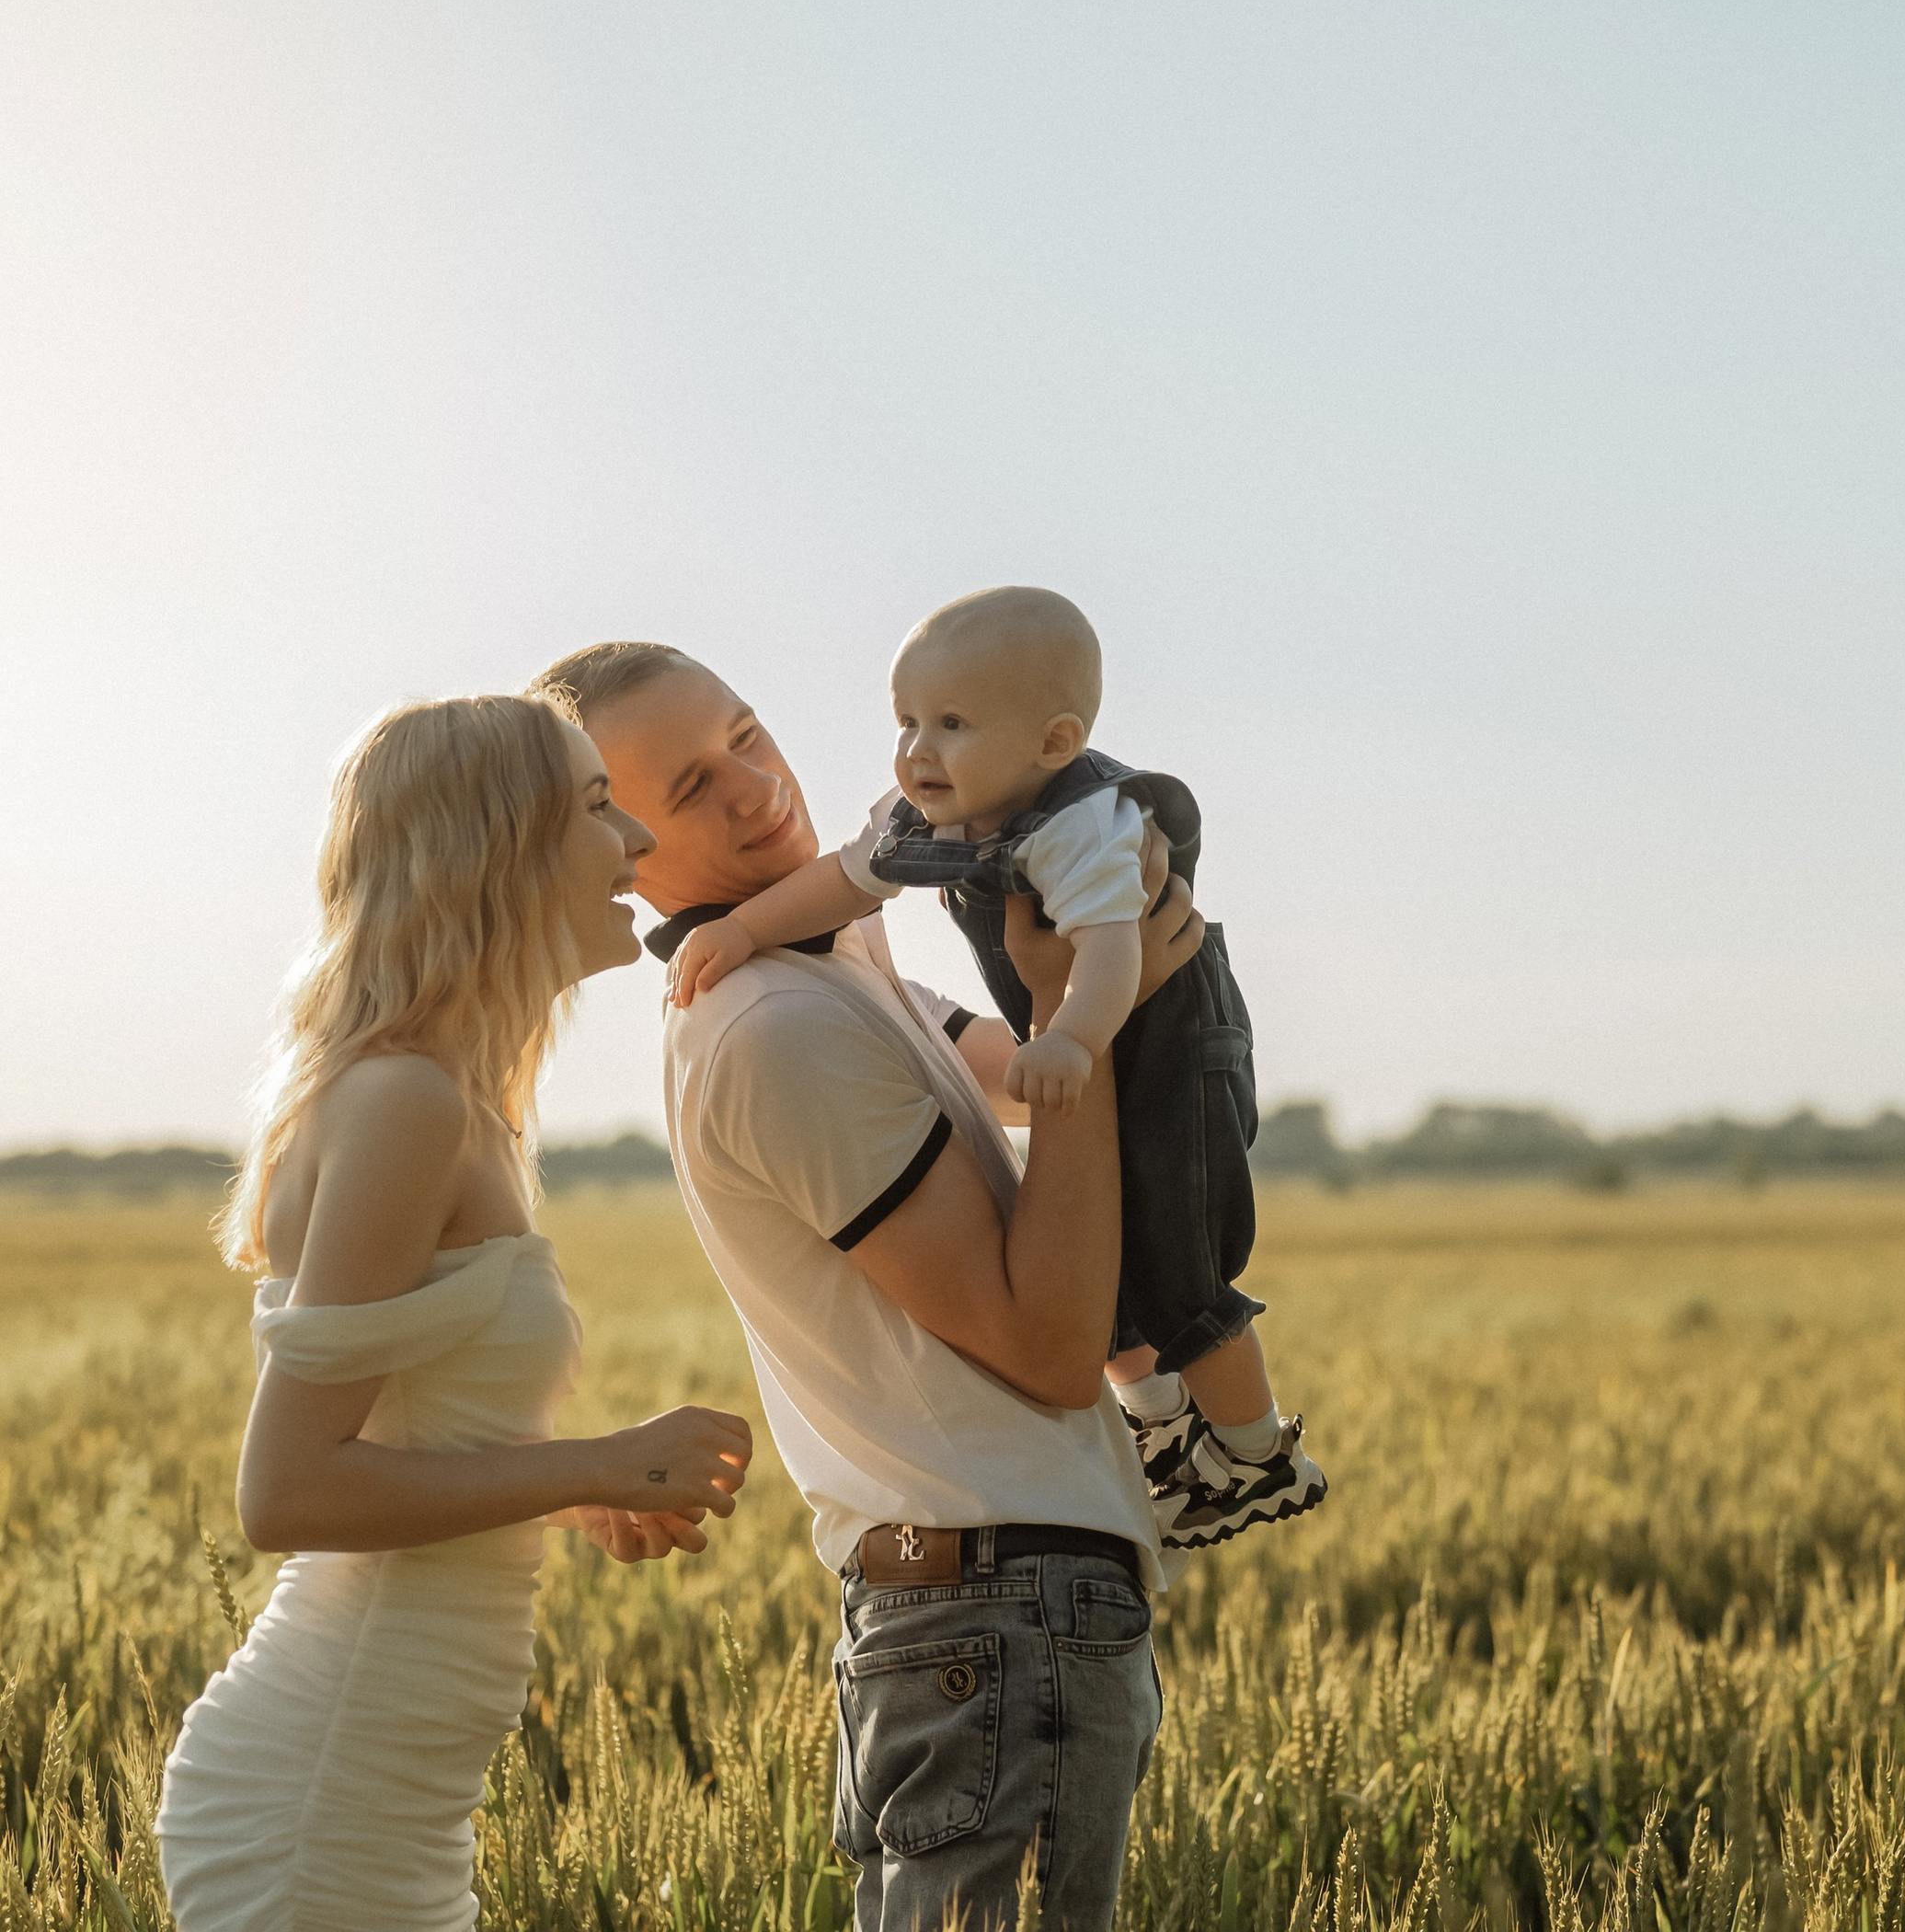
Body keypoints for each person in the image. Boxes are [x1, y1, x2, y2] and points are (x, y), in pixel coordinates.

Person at [533, 638, 1205, 1932]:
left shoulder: (829, 966)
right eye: (687, 789)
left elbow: (1010, 1075)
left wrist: (1106, 971)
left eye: (744, 732)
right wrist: (1082, 1024)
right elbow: (1049, 1346)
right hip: (998, 1610)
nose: (753, 785)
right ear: (623, 842)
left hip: (984, 1616)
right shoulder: (777, 1029)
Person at [156, 695, 755, 1932]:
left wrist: (566, 1481)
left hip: (391, 1785)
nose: (638, 841)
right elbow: (288, 1495)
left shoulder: (457, 1102)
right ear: (495, 843)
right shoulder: (405, 1104)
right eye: (596, 806)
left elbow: (408, 1432)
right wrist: (602, 1459)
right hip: (322, 1792)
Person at [662, 586, 1325, 1550]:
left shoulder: (1080, 826)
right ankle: (1164, 1431)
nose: (916, 750)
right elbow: (845, 877)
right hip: (1075, 1030)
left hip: (1168, 1041)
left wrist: (1070, 1033)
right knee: (1100, 1242)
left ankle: (1256, 1455)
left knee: (1175, 1253)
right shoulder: (916, 823)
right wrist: (740, 928)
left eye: (952, 725)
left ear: (1053, 743)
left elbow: (1109, 949)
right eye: (906, 721)